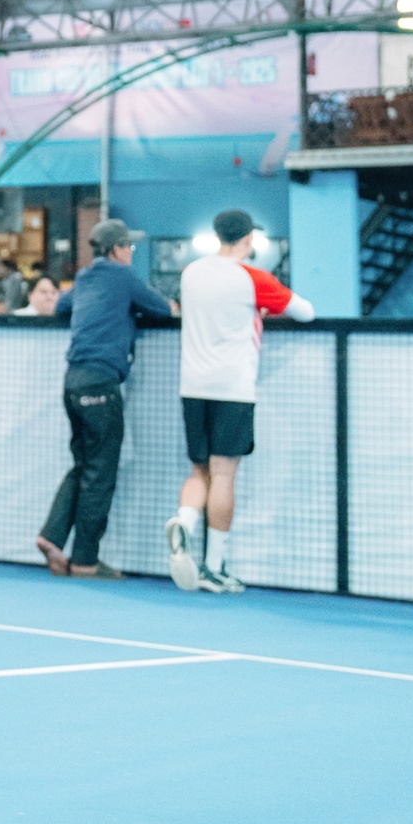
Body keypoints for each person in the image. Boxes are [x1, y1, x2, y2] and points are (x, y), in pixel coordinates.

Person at [166, 209, 313, 595]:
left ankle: (185, 521)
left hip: (192, 386)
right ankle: (214, 567)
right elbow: (305, 312)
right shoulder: (253, 278)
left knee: (199, 472)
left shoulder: (191, 273)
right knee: (224, 475)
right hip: (232, 388)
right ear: (248, 239)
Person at [36, 219, 173, 580]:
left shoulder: (85, 278)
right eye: (130, 247)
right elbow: (163, 309)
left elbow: (61, 308)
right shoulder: (122, 277)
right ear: (117, 249)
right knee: (101, 472)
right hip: (101, 382)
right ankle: (85, 561)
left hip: (73, 381)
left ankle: (52, 536)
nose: (131, 253)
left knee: (84, 464)